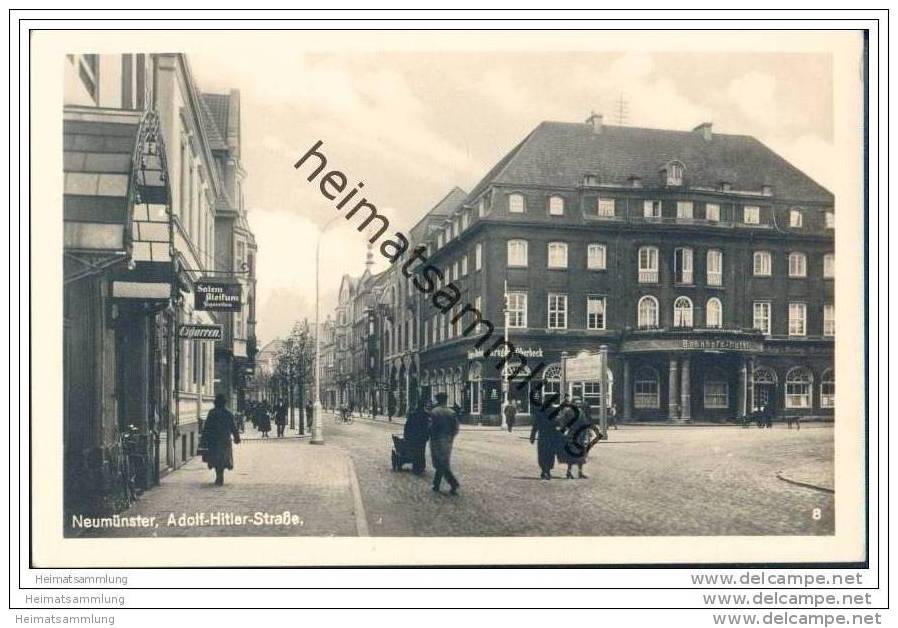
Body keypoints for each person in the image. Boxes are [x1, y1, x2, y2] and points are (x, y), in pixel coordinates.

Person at [201, 394, 241, 486]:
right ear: (224, 403)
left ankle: (219, 476)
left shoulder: (212, 413)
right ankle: (220, 475)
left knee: (215, 458)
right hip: (225, 440)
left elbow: (207, 427)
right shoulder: (228, 413)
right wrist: (236, 437)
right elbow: (233, 427)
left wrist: (204, 439)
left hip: (214, 440)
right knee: (223, 458)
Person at [429, 392, 460, 494]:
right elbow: (456, 428)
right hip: (447, 440)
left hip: (436, 440)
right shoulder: (451, 412)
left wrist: (431, 436)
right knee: (443, 462)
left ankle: (452, 483)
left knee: (440, 463)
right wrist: (451, 437)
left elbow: (431, 427)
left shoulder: (434, 412)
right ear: (446, 400)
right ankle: (437, 484)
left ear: (438, 400)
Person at [557, 398, 592, 479]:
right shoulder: (568, 412)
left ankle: (580, 472)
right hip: (571, 435)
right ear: (573, 404)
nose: (578, 405)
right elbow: (563, 422)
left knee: (581, 454)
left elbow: (585, 423)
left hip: (580, 436)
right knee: (571, 454)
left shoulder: (581, 412)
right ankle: (568, 472)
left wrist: (588, 432)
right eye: (576, 403)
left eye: (579, 403)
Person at [530, 402, 561, 480]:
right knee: (550, 454)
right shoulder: (554, 412)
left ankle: (544, 470)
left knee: (542, 454)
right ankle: (547, 471)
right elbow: (558, 423)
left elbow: (535, 425)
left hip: (542, 437)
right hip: (551, 437)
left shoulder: (539, 413)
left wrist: (532, 437)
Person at [403, 399, 431, 474]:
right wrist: (427, 435)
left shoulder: (413, 414)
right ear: (423, 406)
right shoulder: (426, 415)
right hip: (422, 437)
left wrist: (406, 435)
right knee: (421, 450)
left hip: (414, 436)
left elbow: (407, 426)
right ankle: (421, 466)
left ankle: (416, 467)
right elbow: (428, 426)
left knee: (415, 451)